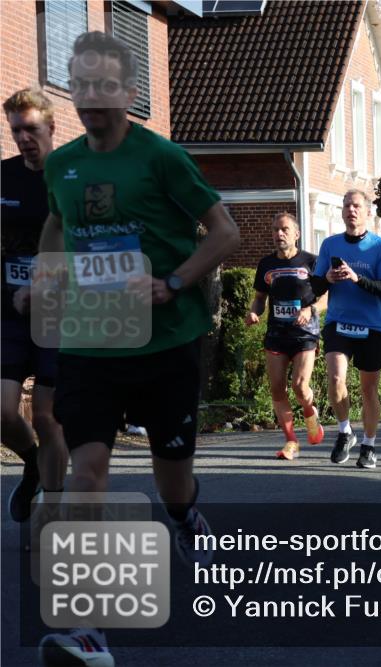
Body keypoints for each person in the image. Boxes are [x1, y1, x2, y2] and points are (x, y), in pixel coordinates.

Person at [35, 32, 240, 665]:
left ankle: (183, 518)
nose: (92, 97)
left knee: (172, 478)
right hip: (89, 342)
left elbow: (225, 232)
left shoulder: (162, 158)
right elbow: (58, 222)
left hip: (165, 340)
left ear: (129, 93)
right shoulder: (62, 166)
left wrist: (173, 281)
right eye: (81, 85)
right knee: (87, 470)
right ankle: (85, 626)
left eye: (105, 85)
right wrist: (45, 277)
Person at [1, 88, 68, 522]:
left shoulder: (70, 181)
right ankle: (33, 464)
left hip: (59, 317)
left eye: (30, 129)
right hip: (8, 313)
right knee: (2, 412)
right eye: (15, 130)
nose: (23, 138)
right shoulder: (3, 176)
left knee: (47, 416)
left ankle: (56, 508)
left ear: (51, 128)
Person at [312, 190, 381, 469]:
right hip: (338, 322)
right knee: (336, 378)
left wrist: (357, 278)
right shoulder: (330, 244)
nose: (351, 210)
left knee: (368, 389)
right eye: (347, 205)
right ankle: (345, 431)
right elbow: (314, 287)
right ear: (342, 211)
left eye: (357, 205)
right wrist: (327, 278)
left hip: (372, 325)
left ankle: (369, 445)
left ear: (368, 212)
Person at [246, 212, 327, 460]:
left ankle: (310, 413)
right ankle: (291, 441)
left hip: (305, 334)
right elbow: (260, 298)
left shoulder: (312, 262)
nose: (279, 234)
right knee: (277, 389)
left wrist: (309, 309)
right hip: (276, 333)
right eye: (275, 230)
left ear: (297, 234)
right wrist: (253, 312)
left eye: (284, 229)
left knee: (300, 387)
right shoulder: (266, 264)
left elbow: (326, 297)